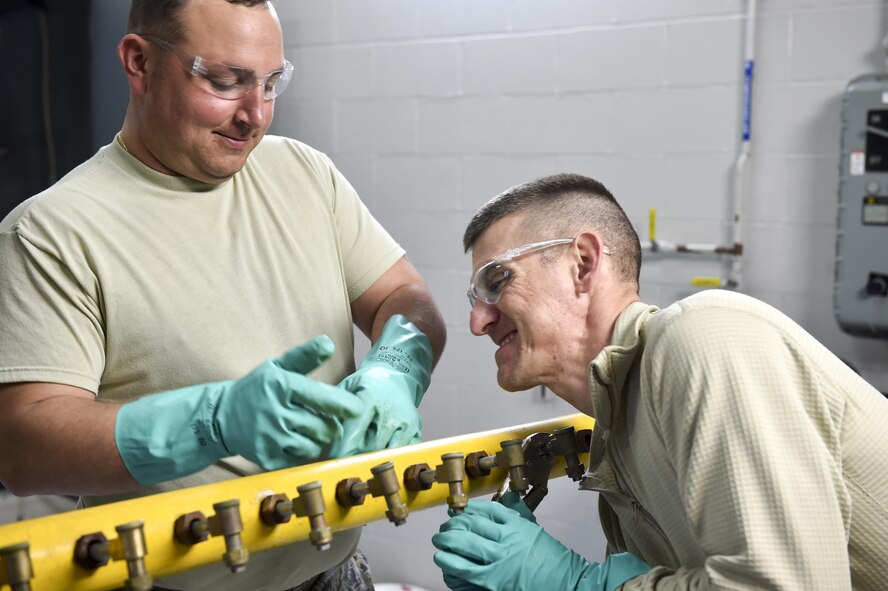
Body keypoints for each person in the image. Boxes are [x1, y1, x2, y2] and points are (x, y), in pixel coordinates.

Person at [0, 1, 445, 590]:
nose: (254, 115)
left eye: (270, 83)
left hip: (335, 573)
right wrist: (208, 423)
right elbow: (25, 446)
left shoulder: (305, 175)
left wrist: (395, 368)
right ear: (139, 63)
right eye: (225, 80)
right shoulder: (52, 232)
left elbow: (406, 295)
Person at [432, 172, 888, 590]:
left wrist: (572, 584)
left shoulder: (704, 333)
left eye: (497, 280)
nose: (477, 321)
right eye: (475, 297)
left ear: (584, 264)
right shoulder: (619, 438)